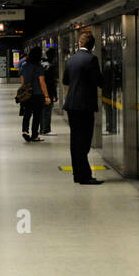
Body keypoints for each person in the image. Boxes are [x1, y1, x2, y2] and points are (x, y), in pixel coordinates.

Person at [62, 31, 103, 183]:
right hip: (85, 105)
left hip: (72, 105)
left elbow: (66, 80)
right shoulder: (92, 59)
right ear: (92, 46)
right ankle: (85, 176)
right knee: (85, 141)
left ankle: (77, 174)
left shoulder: (71, 59)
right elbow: (98, 80)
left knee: (75, 140)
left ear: (79, 43)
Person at [20, 46, 50, 142]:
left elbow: (22, 81)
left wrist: (25, 89)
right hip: (38, 94)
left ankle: (25, 131)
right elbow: (42, 82)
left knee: (27, 114)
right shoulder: (39, 67)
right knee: (37, 115)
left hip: (28, 94)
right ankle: (34, 135)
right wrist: (46, 96)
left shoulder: (24, 66)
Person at [41, 48, 59, 135]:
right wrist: (55, 94)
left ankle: (41, 128)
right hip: (49, 91)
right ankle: (46, 129)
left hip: (41, 91)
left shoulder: (42, 65)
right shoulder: (51, 67)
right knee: (48, 110)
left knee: (42, 110)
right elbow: (52, 82)